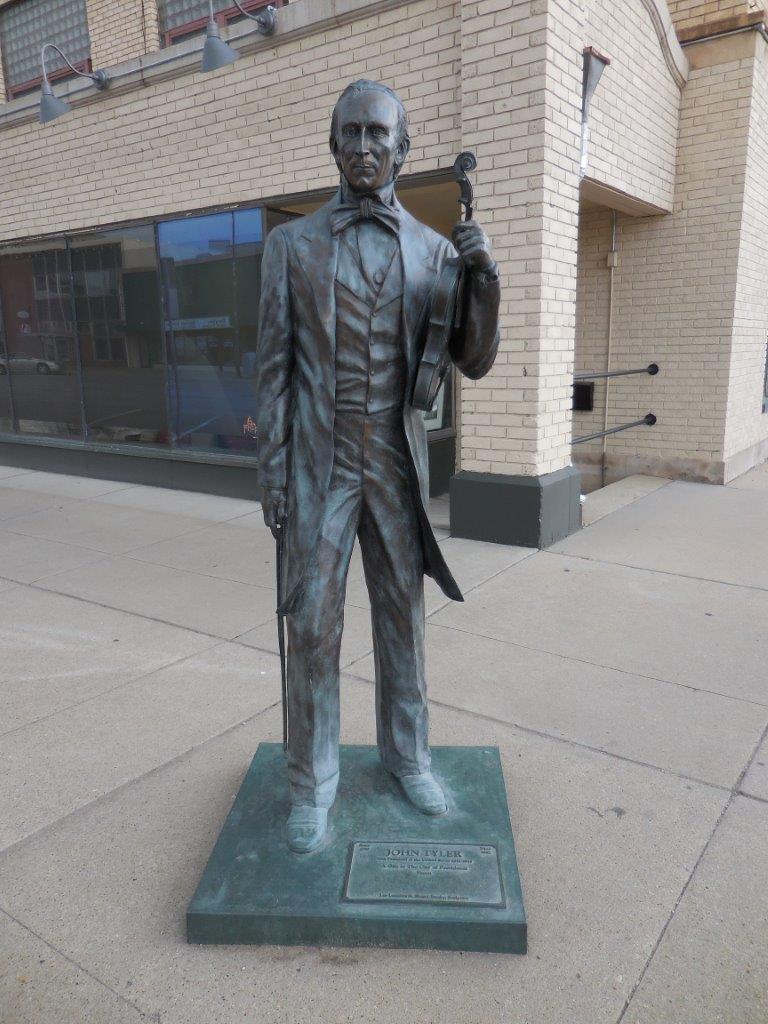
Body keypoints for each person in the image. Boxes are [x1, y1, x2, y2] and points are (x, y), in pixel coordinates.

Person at [256, 80, 500, 853]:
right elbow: (273, 372)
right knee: (312, 626)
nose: (364, 147)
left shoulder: (434, 251)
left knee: (403, 619)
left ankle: (409, 759)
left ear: (403, 146)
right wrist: (272, 474)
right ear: (333, 145)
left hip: (394, 464)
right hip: (319, 465)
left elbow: (473, 358)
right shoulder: (289, 248)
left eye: (378, 134)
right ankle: (312, 784)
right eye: (351, 133)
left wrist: (483, 280)